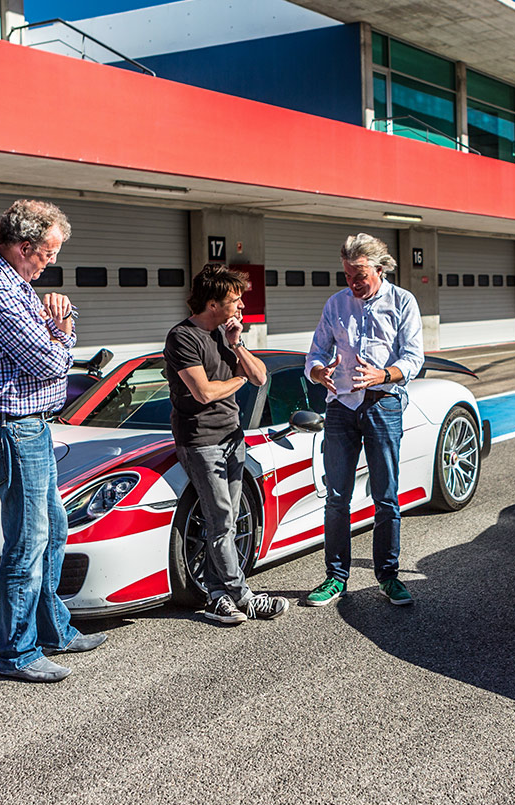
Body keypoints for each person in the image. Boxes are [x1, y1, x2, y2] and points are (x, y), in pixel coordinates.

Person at [0, 199, 106, 683]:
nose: (51, 263)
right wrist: (62, 331)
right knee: (28, 540)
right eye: (47, 253)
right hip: (9, 425)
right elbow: (46, 361)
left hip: (28, 423)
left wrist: (58, 316)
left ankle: (53, 629)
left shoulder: (17, 285)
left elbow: (49, 337)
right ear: (24, 247)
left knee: (54, 529)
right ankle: (17, 653)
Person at [303, 233, 424, 608]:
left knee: (385, 496)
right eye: (347, 275)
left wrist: (383, 375)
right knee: (336, 497)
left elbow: (414, 357)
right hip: (340, 407)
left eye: (359, 274)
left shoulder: (403, 301)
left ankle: (388, 576)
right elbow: (315, 353)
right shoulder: (336, 304)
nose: (352, 282)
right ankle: (335, 577)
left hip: (382, 404)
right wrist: (319, 371)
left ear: (380, 268)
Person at [164, 263, 286, 624]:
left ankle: (218, 597)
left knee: (227, 520)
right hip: (201, 441)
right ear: (213, 303)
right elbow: (203, 394)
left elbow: (260, 377)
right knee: (220, 520)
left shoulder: (223, 335)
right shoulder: (183, 337)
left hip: (232, 437)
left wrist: (238, 345)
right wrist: (238, 381)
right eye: (235, 300)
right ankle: (242, 595)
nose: (241, 307)